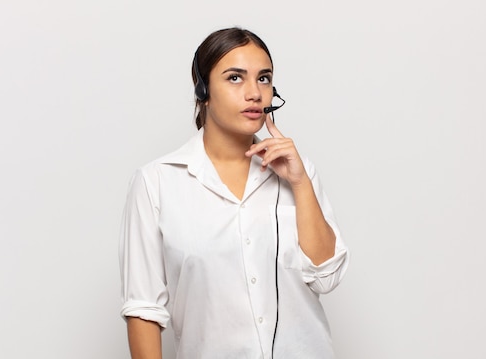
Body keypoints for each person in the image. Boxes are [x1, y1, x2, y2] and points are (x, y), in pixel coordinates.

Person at [119, 27, 349, 359]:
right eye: (235, 78)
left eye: (264, 78)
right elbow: (143, 309)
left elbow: (327, 276)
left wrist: (300, 184)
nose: (255, 93)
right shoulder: (156, 182)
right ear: (203, 90)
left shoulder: (298, 172)